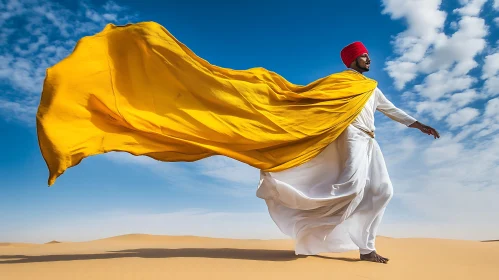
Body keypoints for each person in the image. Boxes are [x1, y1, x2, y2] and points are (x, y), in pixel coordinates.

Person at [256, 41, 440, 264]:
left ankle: (366, 249)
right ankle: (308, 225)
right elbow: (310, 99)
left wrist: (419, 125)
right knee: (351, 189)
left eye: (368, 55)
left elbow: (392, 110)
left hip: (370, 140)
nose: (369, 59)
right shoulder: (339, 82)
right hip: (350, 137)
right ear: (353, 60)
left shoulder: (371, 87)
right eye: (364, 56)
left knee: (383, 191)